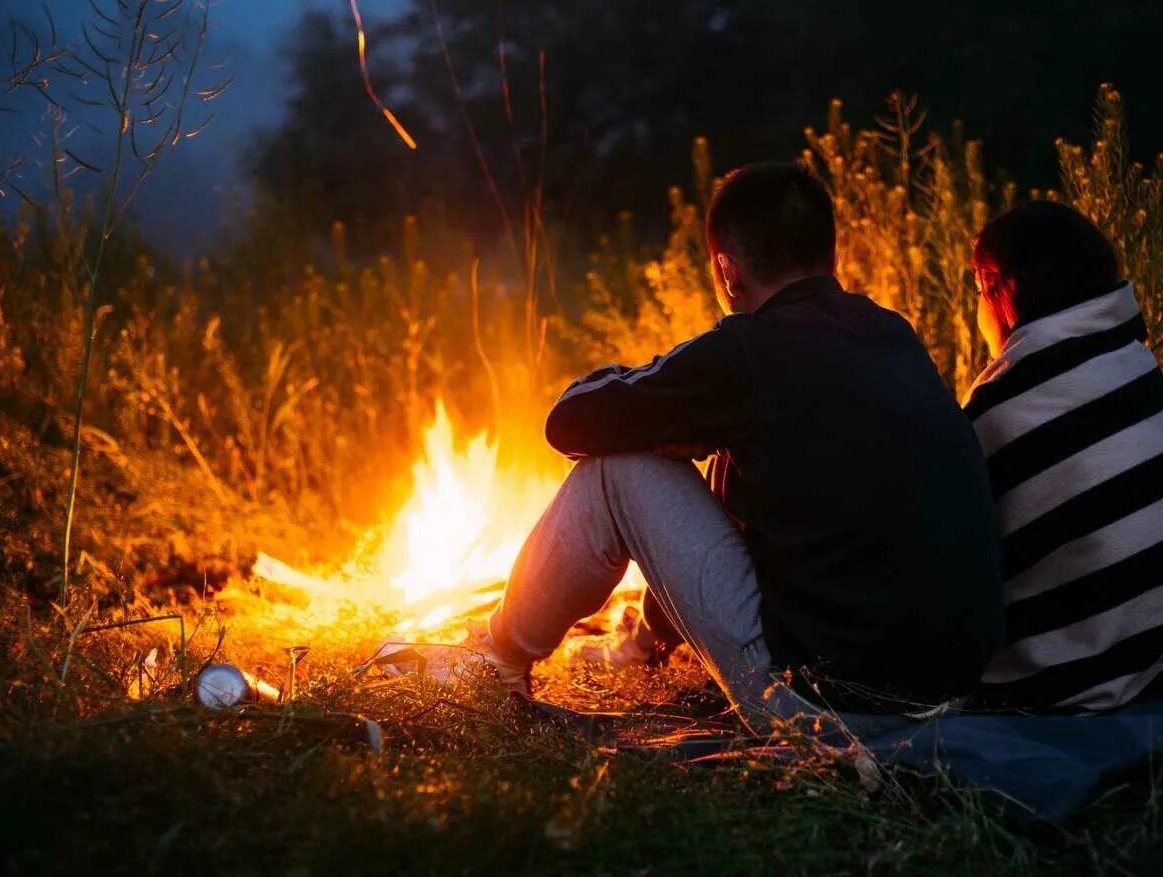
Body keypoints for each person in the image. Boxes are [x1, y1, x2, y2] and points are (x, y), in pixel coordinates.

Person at [426, 162, 1004, 728]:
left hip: (830, 705)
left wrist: (664, 427)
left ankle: (494, 658)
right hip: (945, 697)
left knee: (616, 471)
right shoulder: (892, 335)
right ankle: (643, 643)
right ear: (831, 256)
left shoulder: (749, 351)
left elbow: (571, 420)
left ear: (727, 272)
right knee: (738, 470)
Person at [964, 201, 1163, 713]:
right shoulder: (1134, 361)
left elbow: (963, 561)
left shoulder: (1000, 404)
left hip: (1077, 682)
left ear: (1001, 289)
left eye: (978, 292)